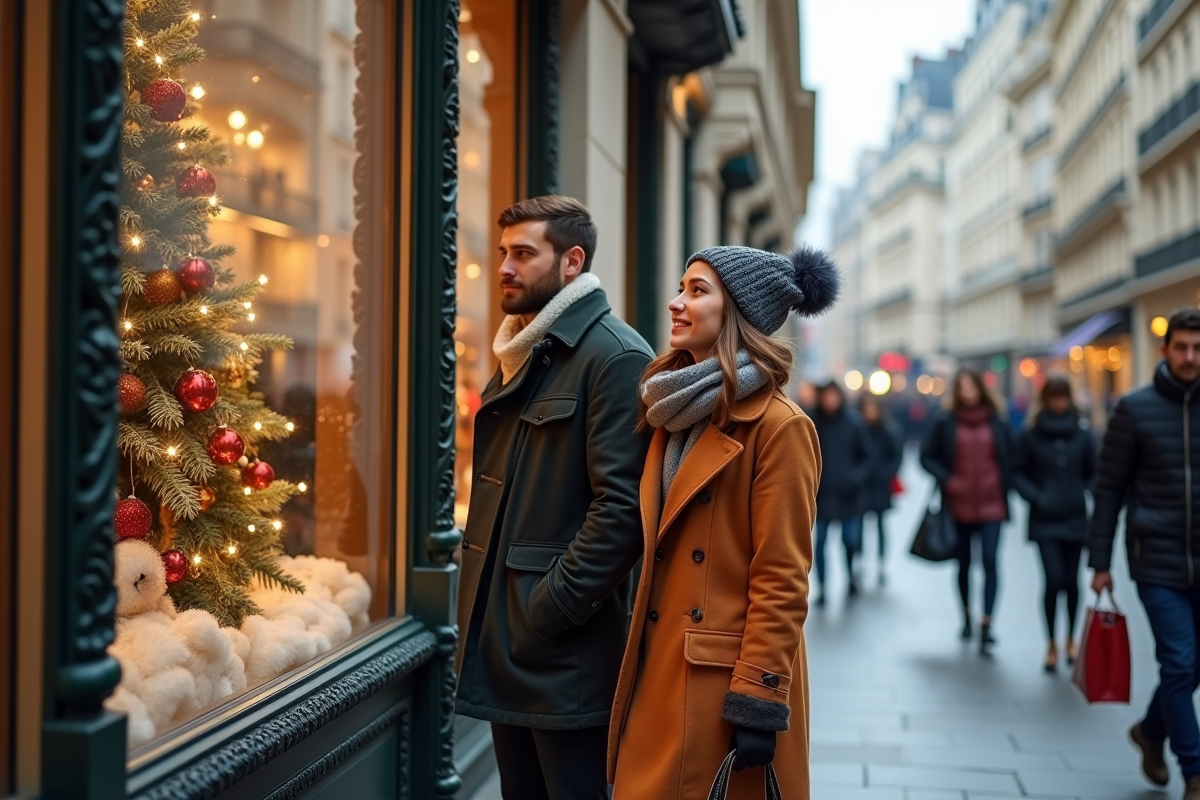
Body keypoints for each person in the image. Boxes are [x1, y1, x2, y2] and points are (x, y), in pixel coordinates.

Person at [608, 245, 838, 800]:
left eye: (696, 290)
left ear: (736, 312)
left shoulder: (780, 428)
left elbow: (782, 576)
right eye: (682, 287)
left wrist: (758, 698)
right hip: (658, 664)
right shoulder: (673, 411)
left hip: (720, 687)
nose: (675, 302)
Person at [454, 196, 653, 800]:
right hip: (506, 642)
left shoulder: (615, 357)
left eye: (523, 253)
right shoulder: (523, 350)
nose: (505, 268)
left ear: (572, 261)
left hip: (562, 654)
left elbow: (623, 509)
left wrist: (549, 610)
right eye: (503, 253)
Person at [1089, 307, 1200, 796]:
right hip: (1156, 560)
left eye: (1198, 348)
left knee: (1193, 666)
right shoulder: (1133, 408)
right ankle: (1194, 770)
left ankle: (1150, 732)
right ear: (1165, 349)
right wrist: (1099, 563)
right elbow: (1108, 489)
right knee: (1178, 664)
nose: (1191, 357)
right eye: (1182, 347)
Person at [920, 368, 1012, 654]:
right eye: (962, 387)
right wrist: (948, 480)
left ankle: (987, 623)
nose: (967, 392)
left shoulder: (997, 421)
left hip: (992, 503)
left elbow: (1011, 455)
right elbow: (927, 457)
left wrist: (1006, 482)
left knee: (989, 560)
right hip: (957, 504)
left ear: (980, 389)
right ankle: (966, 615)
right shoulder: (946, 421)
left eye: (971, 387)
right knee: (963, 564)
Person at [1012, 375, 1095, 672]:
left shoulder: (1083, 434)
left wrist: (1086, 491)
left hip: (1074, 517)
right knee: (1054, 580)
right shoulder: (1031, 435)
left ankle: (1071, 637)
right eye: (1053, 397)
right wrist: (1037, 496)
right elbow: (1017, 472)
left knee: (1072, 582)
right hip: (1045, 519)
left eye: (1062, 397)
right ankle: (1051, 642)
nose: (1058, 403)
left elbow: (1093, 470)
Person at [810, 381, 873, 602]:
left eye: (833, 396)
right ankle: (823, 587)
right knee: (821, 543)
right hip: (823, 495)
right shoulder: (813, 422)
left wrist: (855, 478)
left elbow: (866, 456)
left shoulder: (853, 423)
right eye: (826, 396)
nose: (830, 400)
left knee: (850, 540)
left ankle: (851, 578)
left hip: (849, 496)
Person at [859, 394, 904, 586]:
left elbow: (896, 456)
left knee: (880, 524)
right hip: (862, 484)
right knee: (859, 524)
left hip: (880, 484)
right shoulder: (859, 429)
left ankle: (881, 562)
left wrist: (885, 473)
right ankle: (859, 561)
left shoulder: (889, 430)